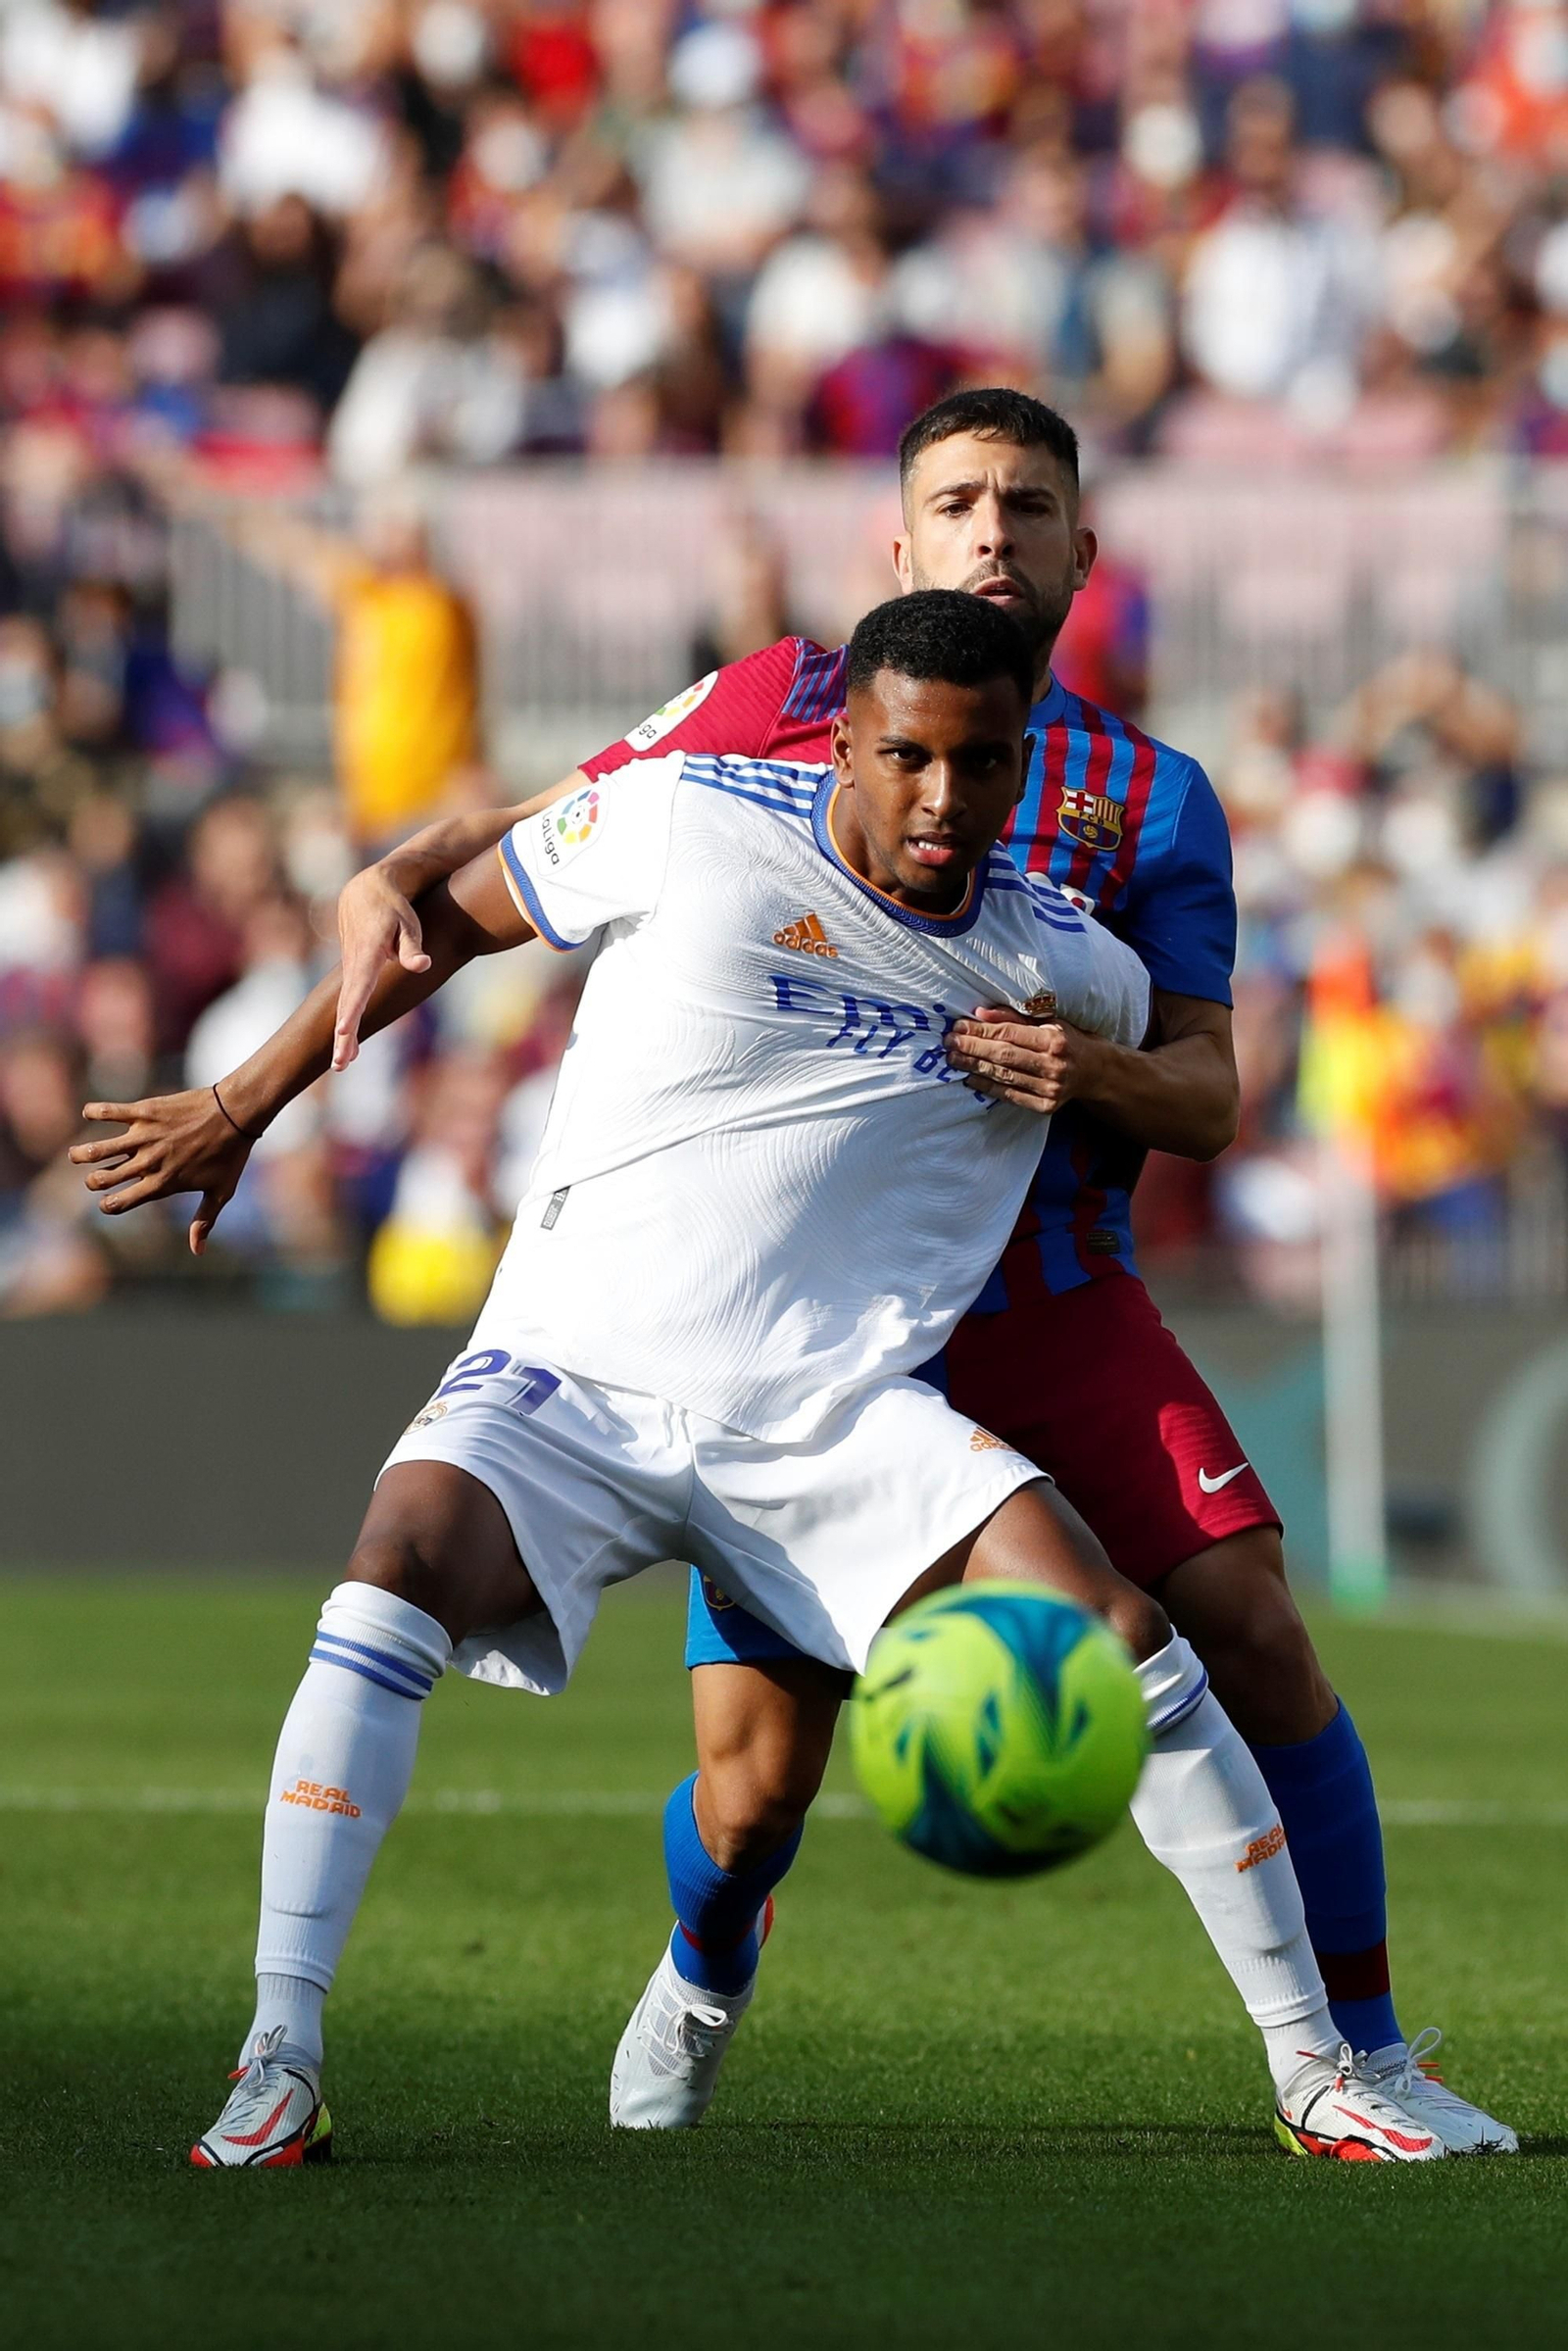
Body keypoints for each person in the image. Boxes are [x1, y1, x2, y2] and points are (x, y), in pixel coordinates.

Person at [74, 597, 1438, 2172]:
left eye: (983, 765)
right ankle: (278, 2057)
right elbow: (451, 909)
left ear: (1019, 764)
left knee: (1121, 1644)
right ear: (841, 739)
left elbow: (1202, 1083)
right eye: (910, 756)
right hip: (571, 1379)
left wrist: (1102, 1074)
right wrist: (249, 1100)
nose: (944, 800)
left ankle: (1317, 2071)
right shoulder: (690, 820)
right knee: (390, 1580)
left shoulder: (1058, 956)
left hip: (836, 1423)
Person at [326, 389, 1514, 2157]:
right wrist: (397, 871)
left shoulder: (1161, 800)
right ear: (899, 540)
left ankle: (1355, 2060)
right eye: (957, 499)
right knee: (753, 1796)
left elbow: (1206, 1086)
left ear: (1081, 555)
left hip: (1047, 1301)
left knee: (1250, 1624)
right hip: (799, 1317)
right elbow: (559, 825)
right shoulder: (773, 704)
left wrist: (1085, 1072)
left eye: (1028, 505)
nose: (991, 531)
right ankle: (711, 1952)